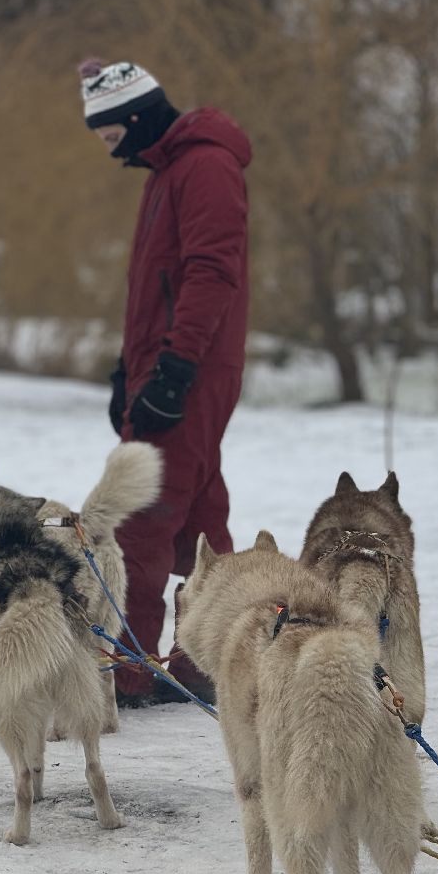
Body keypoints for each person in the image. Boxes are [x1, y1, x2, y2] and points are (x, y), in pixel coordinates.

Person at [79, 59, 251, 708]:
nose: (108, 149)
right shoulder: (168, 170)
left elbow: (211, 273)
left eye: (106, 134)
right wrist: (130, 370)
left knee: (141, 515)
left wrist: (175, 368)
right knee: (200, 515)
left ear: (131, 117)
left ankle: (128, 665)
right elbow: (155, 290)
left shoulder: (204, 166)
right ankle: (206, 658)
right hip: (170, 362)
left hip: (193, 367)